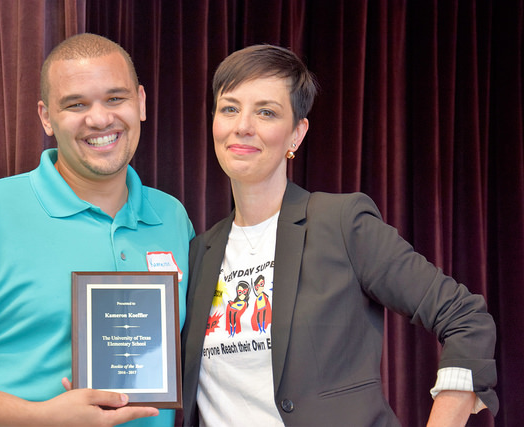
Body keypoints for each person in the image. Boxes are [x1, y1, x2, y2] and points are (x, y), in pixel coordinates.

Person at [0, 33, 194, 427]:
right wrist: (39, 417)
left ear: (141, 103)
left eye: (116, 98)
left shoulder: (172, 218)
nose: (100, 118)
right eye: (76, 104)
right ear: (46, 117)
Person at [180, 44, 498, 426]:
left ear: (296, 134)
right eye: (230, 108)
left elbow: (465, 318)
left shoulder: (341, 223)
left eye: (266, 112)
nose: (243, 125)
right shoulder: (200, 251)